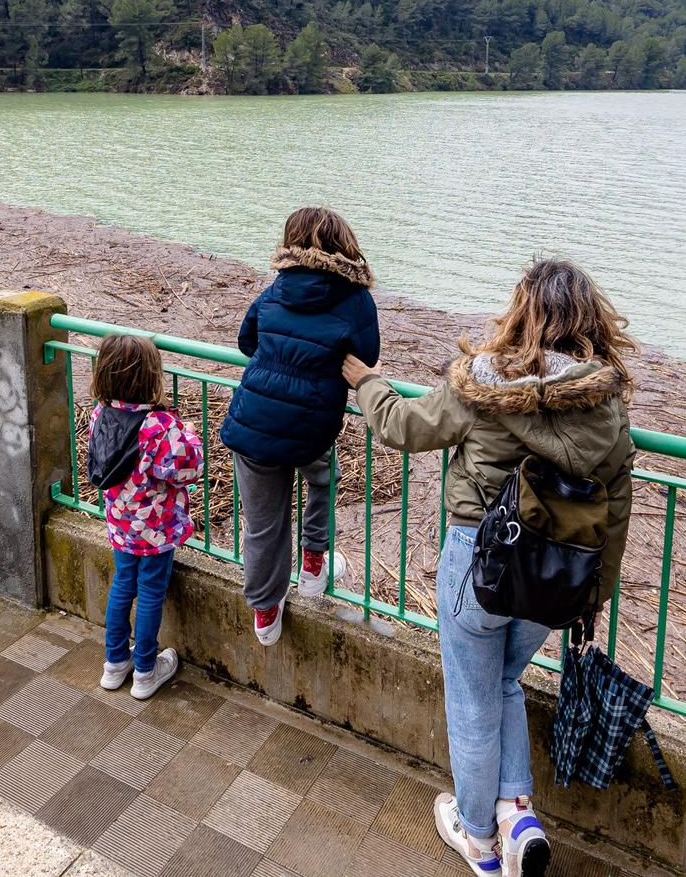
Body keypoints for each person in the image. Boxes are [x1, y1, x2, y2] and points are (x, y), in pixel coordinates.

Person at [344, 259, 635, 877]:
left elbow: (401, 426)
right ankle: (518, 816)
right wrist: (595, 596)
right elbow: (615, 512)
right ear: (591, 323)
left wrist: (366, 381)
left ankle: (478, 838)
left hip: (481, 563)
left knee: (473, 695)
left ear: (521, 312)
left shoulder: (484, 383)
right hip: (556, 579)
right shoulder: (607, 409)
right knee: (503, 684)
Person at [218, 207, 380, 645]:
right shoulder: (356, 298)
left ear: (293, 244)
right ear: (343, 244)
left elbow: (246, 341)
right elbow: (367, 354)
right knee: (323, 477)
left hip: (253, 421)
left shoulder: (276, 288)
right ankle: (313, 565)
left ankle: (266, 613)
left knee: (263, 523)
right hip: (310, 422)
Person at [92, 333, 205, 700]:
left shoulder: (101, 414)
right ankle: (144, 670)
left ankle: (114, 664)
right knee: (151, 591)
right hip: (155, 530)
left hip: (121, 524)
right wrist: (190, 435)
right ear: (151, 377)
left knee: (123, 585)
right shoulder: (157, 426)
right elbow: (189, 468)